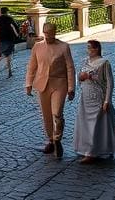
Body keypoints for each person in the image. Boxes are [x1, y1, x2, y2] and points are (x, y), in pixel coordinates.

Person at [26, 22, 76, 159]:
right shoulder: (38, 46)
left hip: (59, 84)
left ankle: (57, 139)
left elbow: (70, 68)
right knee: (46, 115)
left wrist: (71, 88)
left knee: (57, 113)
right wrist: (29, 83)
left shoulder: (64, 47)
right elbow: (32, 66)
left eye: (51, 34)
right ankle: (50, 140)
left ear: (55, 32)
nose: (48, 37)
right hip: (42, 84)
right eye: (46, 34)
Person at [73, 40, 115, 164]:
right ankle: (88, 148)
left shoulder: (104, 63)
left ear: (96, 49)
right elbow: (79, 77)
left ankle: (92, 152)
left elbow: (110, 83)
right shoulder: (85, 61)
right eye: (87, 48)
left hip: (98, 96)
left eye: (90, 48)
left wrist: (107, 101)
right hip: (86, 96)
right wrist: (81, 77)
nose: (88, 50)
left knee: (97, 124)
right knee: (86, 123)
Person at [0, 6, 20, 80]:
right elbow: (14, 27)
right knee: (8, 56)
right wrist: (17, 35)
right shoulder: (9, 18)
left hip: (1, 39)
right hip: (9, 39)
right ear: (7, 11)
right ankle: (9, 72)